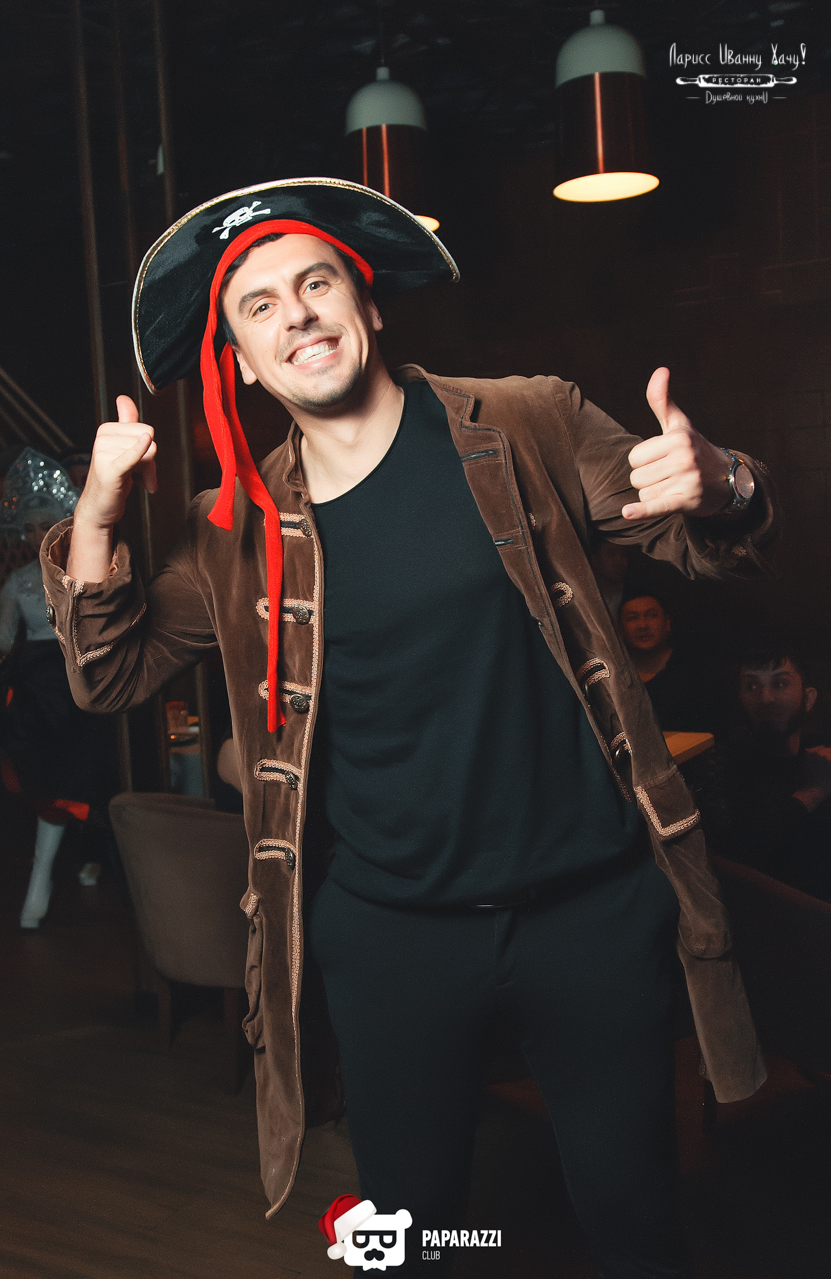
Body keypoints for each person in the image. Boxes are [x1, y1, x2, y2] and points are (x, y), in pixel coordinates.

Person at [40, 180, 778, 1278]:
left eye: (316, 283)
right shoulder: (233, 531)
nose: (296, 315)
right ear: (242, 362)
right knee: (415, 1230)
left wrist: (722, 483)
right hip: (393, 937)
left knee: (632, 1218)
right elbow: (108, 676)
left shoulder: (526, 421)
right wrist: (98, 514)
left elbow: (701, 537)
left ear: (369, 303)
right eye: (258, 306)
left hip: (588, 911)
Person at [0, 449, 109, 926]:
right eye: (31, 528)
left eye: (46, 526)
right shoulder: (17, 583)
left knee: (86, 768)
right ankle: (43, 873)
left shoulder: (82, 572)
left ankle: (89, 853)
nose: (38, 535)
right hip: (39, 683)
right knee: (42, 769)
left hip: (82, 675)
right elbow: (1, 632)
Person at [700, 649, 831, 900]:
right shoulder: (724, 763)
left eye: (780, 684)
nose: (766, 698)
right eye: (752, 686)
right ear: (740, 697)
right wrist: (811, 794)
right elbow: (738, 854)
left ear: (808, 698)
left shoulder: (820, 751)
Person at [619, 591, 717, 732]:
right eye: (632, 618)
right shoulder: (614, 676)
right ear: (620, 629)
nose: (642, 625)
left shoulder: (696, 672)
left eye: (652, 615)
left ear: (667, 622)